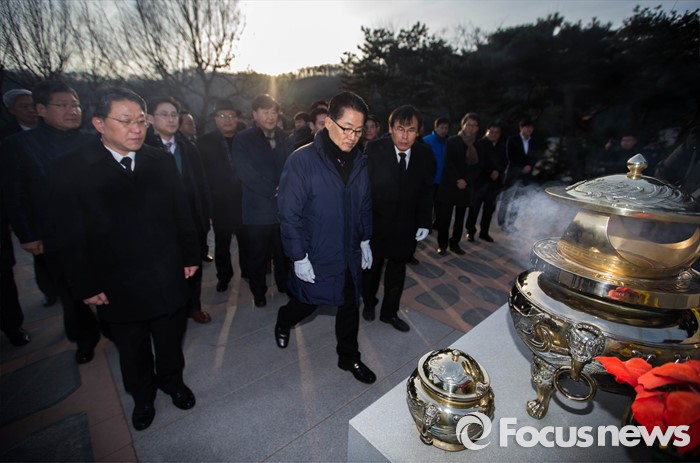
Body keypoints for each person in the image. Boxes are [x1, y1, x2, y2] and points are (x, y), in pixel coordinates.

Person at [48, 86, 200, 431]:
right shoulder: (71, 170)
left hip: (166, 273)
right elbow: (68, 236)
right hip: (116, 281)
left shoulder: (159, 160)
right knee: (132, 348)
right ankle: (143, 397)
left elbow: (182, 211)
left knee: (170, 338)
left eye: (141, 121)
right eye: (126, 121)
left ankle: (173, 382)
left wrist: (190, 254)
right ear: (99, 124)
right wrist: (85, 284)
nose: (136, 129)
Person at [275, 91, 376, 384]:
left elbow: (364, 204)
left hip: (349, 251)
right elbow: (289, 214)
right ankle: (284, 320)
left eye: (358, 131)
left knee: (349, 304)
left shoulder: (359, 161)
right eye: (347, 128)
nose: (352, 137)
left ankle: (349, 357)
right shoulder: (302, 160)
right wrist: (298, 256)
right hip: (316, 251)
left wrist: (365, 239)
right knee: (307, 303)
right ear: (328, 122)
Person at [3, 80, 100, 362]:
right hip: (56, 234)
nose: (72, 110)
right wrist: (27, 234)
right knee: (71, 291)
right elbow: (15, 194)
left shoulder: (93, 140)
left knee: (109, 282)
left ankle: (114, 327)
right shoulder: (19, 145)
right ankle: (84, 338)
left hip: (98, 229)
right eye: (63, 105)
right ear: (41, 109)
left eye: (75, 105)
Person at [362, 105, 435, 332]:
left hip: (405, 227)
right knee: (371, 270)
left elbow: (426, 191)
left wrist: (424, 222)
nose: (405, 136)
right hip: (376, 225)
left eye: (411, 130)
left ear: (418, 132)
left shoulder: (424, 154)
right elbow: (363, 191)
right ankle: (369, 303)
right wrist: (362, 230)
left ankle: (389, 313)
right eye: (400, 129)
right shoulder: (374, 149)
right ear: (390, 128)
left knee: (397, 272)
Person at [146, 96, 212, 324]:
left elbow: (202, 183)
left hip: (191, 218)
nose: (171, 119)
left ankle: (194, 306)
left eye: (174, 115)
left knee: (193, 265)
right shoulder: (142, 148)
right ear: (150, 118)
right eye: (164, 114)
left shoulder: (188, 147)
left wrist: (206, 214)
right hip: (159, 222)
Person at [232, 94, 291, 307]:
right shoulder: (243, 139)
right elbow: (245, 172)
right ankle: (259, 293)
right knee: (258, 255)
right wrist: (272, 190)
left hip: (282, 209)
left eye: (274, 112)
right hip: (257, 209)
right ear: (254, 114)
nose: (270, 116)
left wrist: (285, 187)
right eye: (265, 112)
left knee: (283, 252)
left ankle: (285, 285)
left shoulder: (285, 137)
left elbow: (292, 165)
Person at [197, 99, 248, 291]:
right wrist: (207, 207)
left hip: (244, 201)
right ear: (215, 119)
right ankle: (224, 276)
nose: (228, 120)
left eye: (232, 116)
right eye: (222, 116)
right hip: (219, 203)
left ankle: (248, 272)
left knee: (246, 241)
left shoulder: (245, 139)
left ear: (237, 119)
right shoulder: (204, 143)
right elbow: (201, 177)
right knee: (222, 243)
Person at [0, 88, 38, 346]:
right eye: (24, 106)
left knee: (3, 278)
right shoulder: (7, 139)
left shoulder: (48, 133)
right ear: (11, 110)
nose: (30, 110)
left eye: (32, 104)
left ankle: (12, 325)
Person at [434, 113, 480, 255]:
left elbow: (477, 167)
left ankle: (455, 244)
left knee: (459, 219)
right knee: (444, 218)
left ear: (477, 128)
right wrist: (458, 179)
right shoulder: (453, 141)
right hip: (449, 185)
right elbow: (448, 163)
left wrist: (466, 180)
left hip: (465, 188)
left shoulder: (478, 144)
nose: (471, 128)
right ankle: (442, 245)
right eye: (468, 124)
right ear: (463, 125)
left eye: (474, 125)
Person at [466, 122, 508, 242]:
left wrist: (498, 171)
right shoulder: (479, 144)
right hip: (480, 182)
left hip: (494, 184)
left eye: (497, 133)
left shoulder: (502, 146)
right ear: (487, 131)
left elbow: (505, 162)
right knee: (474, 209)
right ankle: (470, 231)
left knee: (489, 210)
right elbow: (478, 162)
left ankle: (484, 232)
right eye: (492, 132)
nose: (494, 134)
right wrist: (490, 171)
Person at [498, 118, 540, 233]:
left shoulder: (534, 142)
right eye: (527, 127)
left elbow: (536, 156)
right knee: (506, 198)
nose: (529, 130)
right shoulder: (513, 139)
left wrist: (530, 165)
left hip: (526, 176)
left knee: (518, 200)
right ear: (521, 128)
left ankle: (511, 223)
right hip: (513, 173)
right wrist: (523, 166)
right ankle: (502, 222)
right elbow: (510, 156)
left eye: (531, 128)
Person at [422, 116, 450, 226]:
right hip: (430, 179)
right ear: (436, 128)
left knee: (440, 205)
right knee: (428, 204)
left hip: (443, 180)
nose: (444, 130)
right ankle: (426, 225)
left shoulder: (449, 141)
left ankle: (437, 223)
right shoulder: (426, 141)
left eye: (446, 128)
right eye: (441, 128)